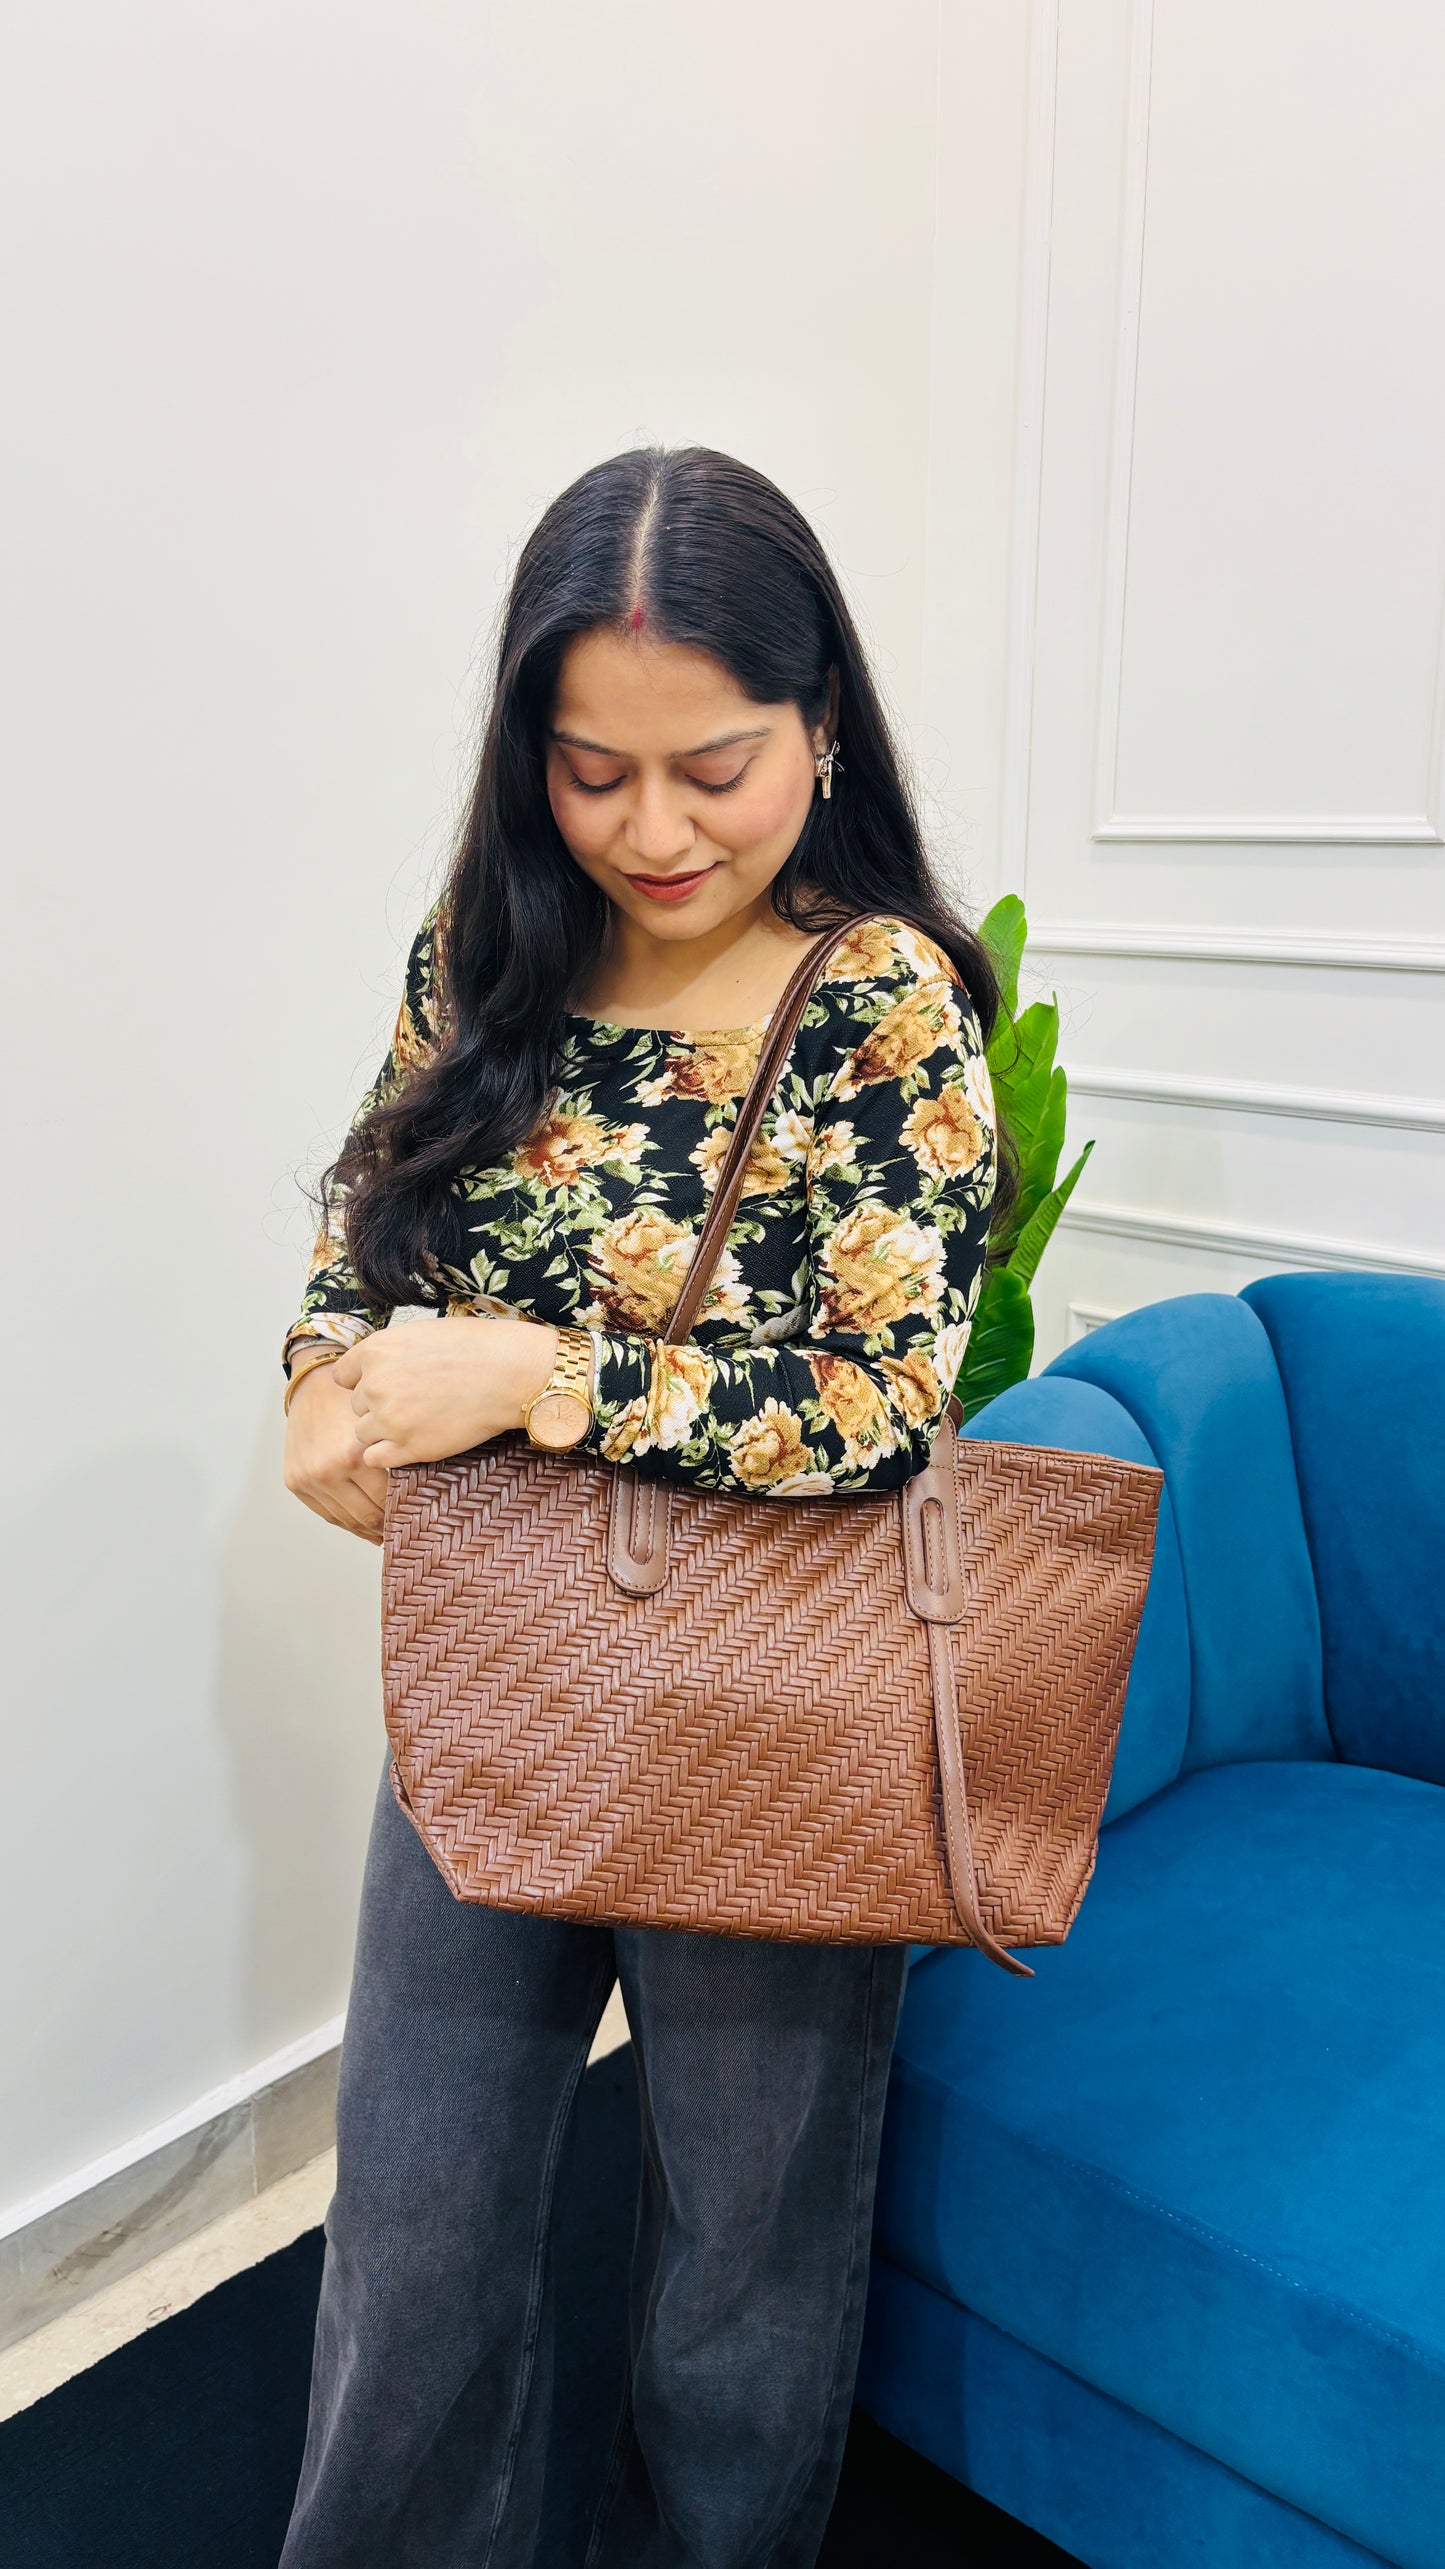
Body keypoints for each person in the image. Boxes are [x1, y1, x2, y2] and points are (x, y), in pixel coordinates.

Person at [278, 445, 1003, 2569]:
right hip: (494, 1688)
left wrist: (537, 1374)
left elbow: (878, 1408)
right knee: (410, 2241)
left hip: (776, 1726)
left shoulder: (878, 1000)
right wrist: (329, 1373)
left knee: (737, 2286)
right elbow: (366, 1223)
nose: (655, 829)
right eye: (595, 771)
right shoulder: (490, 949)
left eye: (716, 767)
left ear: (823, 730)